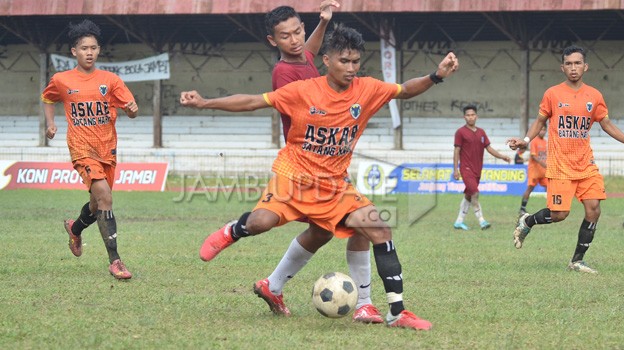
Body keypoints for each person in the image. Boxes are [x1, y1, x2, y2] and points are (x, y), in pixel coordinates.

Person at [181, 24, 459, 330]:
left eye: (356, 61)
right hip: (293, 176)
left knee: (376, 228)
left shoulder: (368, 89)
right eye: (344, 61)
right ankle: (233, 231)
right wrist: (205, 102)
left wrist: (436, 76)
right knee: (261, 223)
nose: (352, 68)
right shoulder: (303, 91)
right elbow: (253, 101)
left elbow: (405, 90)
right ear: (326, 60)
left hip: (334, 184)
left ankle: (396, 312)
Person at [248, 2, 382, 324]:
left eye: (299, 32)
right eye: (286, 35)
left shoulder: (305, 58)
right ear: (273, 41)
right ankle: (364, 303)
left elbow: (309, 53)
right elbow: (303, 102)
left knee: (323, 233)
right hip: (308, 166)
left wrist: (323, 22)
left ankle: (273, 284)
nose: (295, 40)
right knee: (358, 224)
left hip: (324, 163)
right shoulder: (285, 73)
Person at [507, 45, 624, 274]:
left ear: (585, 66)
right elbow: (540, 121)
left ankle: (577, 261)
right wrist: (526, 139)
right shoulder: (552, 94)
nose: (573, 68)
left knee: (594, 208)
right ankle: (528, 221)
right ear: (562, 67)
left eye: (577, 63)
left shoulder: (594, 96)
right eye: (569, 64)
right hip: (560, 165)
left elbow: (607, 125)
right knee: (559, 215)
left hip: (586, 164)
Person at [42, 20, 138, 279]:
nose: (89, 52)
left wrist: (132, 110)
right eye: (84, 48)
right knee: (106, 198)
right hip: (81, 147)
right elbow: (48, 98)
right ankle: (115, 261)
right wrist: (51, 124)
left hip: (108, 149)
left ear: (99, 50)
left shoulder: (111, 80)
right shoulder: (61, 80)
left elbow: (132, 110)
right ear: (74, 51)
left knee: (97, 205)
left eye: (94, 48)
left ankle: (75, 228)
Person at [452, 105, 511, 231]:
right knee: (475, 192)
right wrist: (455, 169)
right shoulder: (460, 132)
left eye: (472, 115)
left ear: (476, 116)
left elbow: (489, 148)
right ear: (464, 117)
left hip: (477, 169)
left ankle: (458, 222)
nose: (470, 117)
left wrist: (502, 157)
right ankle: (481, 220)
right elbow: (456, 151)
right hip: (466, 168)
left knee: (468, 195)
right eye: (468, 115)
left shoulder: (481, 132)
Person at [518, 123, 548, 216]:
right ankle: (522, 208)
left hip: (543, 171)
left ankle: (551, 207)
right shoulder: (534, 141)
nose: (542, 131)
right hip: (534, 170)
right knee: (530, 188)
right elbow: (533, 156)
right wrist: (543, 164)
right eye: (541, 129)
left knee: (550, 187)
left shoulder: (546, 142)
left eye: (544, 129)